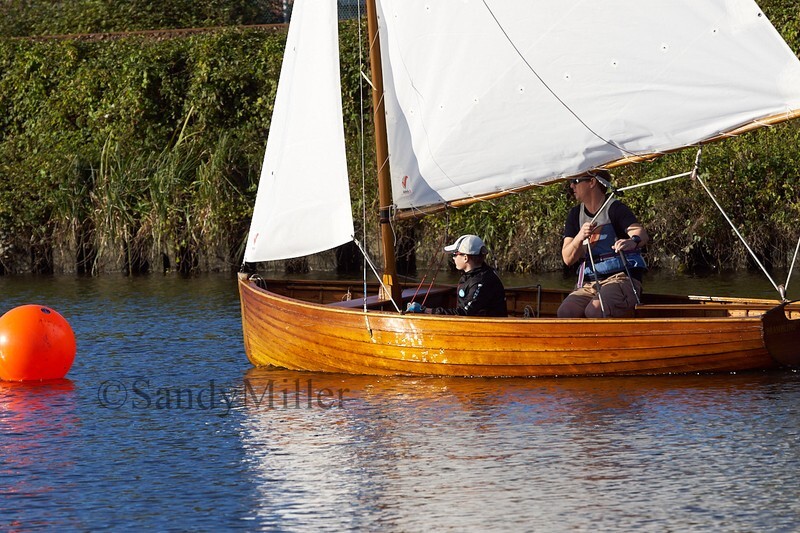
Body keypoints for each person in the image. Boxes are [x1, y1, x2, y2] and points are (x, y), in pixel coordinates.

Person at [557, 170, 649, 318]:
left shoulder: (615, 209)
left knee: (594, 310)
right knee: (566, 312)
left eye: (576, 181)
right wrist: (580, 236)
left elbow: (640, 233)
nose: (571, 186)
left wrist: (633, 241)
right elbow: (567, 258)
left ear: (592, 182)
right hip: (589, 283)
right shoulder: (575, 215)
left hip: (621, 278)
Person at [406, 234, 507, 317]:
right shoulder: (471, 275)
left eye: (455, 254)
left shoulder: (481, 281)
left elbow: (465, 313)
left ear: (465, 258)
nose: (453, 258)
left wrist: (425, 310)